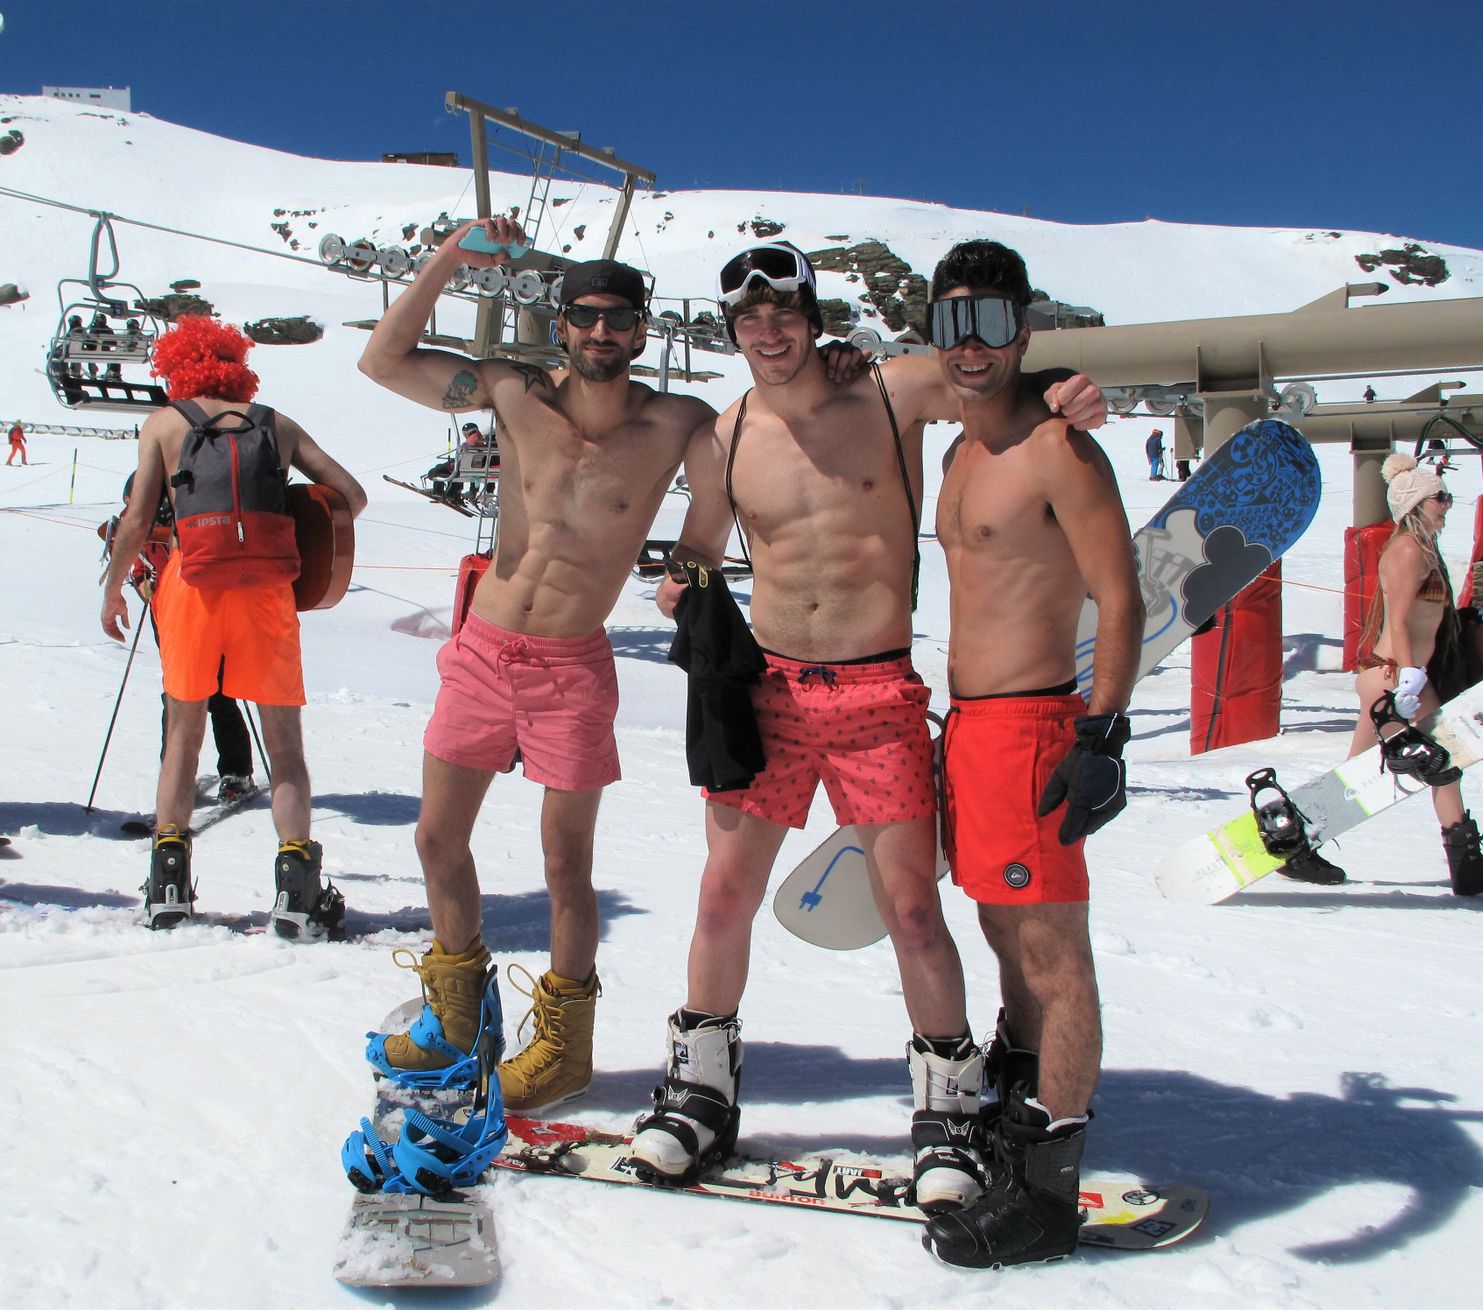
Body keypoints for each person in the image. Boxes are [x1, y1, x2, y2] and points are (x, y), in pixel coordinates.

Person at [624, 240, 1108, 1215]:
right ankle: (700, 1088)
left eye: (785, 312)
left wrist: (1064, 388)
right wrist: (687, 576)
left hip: (877, 694)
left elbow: (992, 379)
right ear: (733, 330)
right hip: (766, 693)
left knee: (910, 909)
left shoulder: (891, 393)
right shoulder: (723, 434)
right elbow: (705, 537)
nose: (768, 330)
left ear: (811, 314)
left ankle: (948, 1108)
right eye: (749, 318)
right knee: (723, 897)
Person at [356, 218, 773, 1112]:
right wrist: (451, 262)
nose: (600, 333)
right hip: (483, 649)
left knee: (565, 862)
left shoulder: (677, 423)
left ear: (641, 331)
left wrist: (690, 572)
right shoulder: (511, 394)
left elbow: (727, 490)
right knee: (437, 838)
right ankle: (457, 1017)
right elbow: (384, 363)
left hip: (571, 666)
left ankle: (564, 1049)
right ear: (562, 324)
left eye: (619, 319)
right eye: (584, 317)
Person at [911, 241, 1140, 1268]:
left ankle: (1048, 1191)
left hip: (1041, 723)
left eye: (992, 325)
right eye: (954, 324)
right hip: (971, 731)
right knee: (1005, 943)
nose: (972, 347)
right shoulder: (958, 445)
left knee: (1055, 958)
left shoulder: (1060, 448)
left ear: (1023, 331)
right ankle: (1018, 1123)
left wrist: (1103, 727)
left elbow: (1123, 592)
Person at [100, 316, 367, 936]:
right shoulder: (275, 423)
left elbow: (137, 521)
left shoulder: (164, 425)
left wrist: (114, 588)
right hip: (266, 594)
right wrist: (289, 517)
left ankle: (169, 885)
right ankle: (298, 895)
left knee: (183, 734)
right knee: (285, 746)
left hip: (192, 588)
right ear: (237, 365)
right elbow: (349, 494)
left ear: (178, 365)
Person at [1278, 453, 1483, 894]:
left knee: (1380, 771)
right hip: (1393, 677)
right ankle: (1464, 867)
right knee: (1431, 763)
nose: (1447, 504)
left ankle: (1298, 845)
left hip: (1398, 678)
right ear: (1415, 504)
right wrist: (1410, 677)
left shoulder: (1422, 546)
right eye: (1440, 498)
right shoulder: (1407, 549)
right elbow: (1397, 619)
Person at [105, 473, 255, 799]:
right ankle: (174, 773)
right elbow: (140, 570)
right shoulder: (140, 532)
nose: (132, 513)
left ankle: (237, 770)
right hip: (169, 620)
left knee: (218, 695)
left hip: (207, 615)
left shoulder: (190, 526)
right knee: (175, 695)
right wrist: (153, 592)